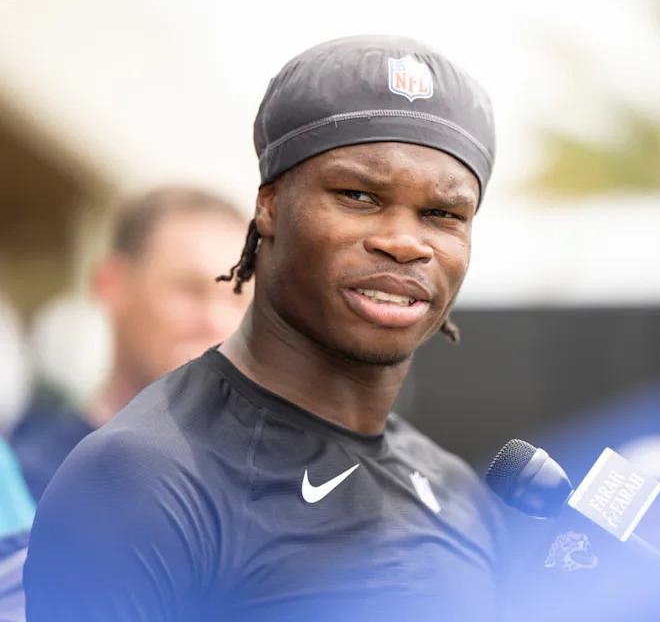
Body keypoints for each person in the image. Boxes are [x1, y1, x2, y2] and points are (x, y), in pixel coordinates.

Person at [25, 35, 502, 621]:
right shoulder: (142, 477)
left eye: (443, 215)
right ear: (269, 206)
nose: (405, 243)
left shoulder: (455, 489)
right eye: (358, 196)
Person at [8, 188, 251, 501]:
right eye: (190, 290)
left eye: (238, 298)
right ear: (112, 285)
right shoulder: (21, 490)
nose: (216, 321)